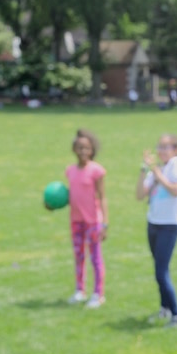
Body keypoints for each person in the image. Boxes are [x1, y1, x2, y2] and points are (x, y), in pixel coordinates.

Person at [136, 134, 177, 327]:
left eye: (166, 147)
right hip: (154, 223)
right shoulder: (159, 169)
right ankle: (164, 309)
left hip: (169, 225)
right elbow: (140, 195)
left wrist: (157, 173)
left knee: (161, 272)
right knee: (159, 269)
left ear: (175, 149)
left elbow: (175, 190)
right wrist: (144, 169)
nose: (161, 150)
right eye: (160, 147)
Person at [64, 129, 109, 308]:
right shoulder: (70, 171)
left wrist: (105, 222)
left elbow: (103, 197)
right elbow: (73, 195)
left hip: (93, 222)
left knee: (95, 258)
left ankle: (98, 294)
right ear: (74, 149)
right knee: (79, 256)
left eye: (87, 148)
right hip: (76, 220)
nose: (83, 151)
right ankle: (80, 290)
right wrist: (52, 203)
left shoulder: (97, 171)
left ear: (92, 150)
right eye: (80, 147)